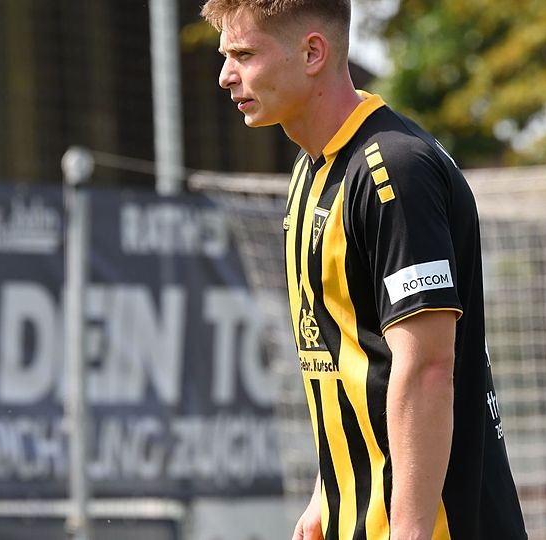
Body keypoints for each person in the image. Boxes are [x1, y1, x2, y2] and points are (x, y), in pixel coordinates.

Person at [201, 1, 527, 538]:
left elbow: (427, 367)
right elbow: (349, 357)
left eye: (244, 54)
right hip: (357, 517)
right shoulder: (310, 172)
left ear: (313, 52)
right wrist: (326, 493)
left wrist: (410, 532)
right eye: (225, 55)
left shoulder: (395, 170)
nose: (225, 75)